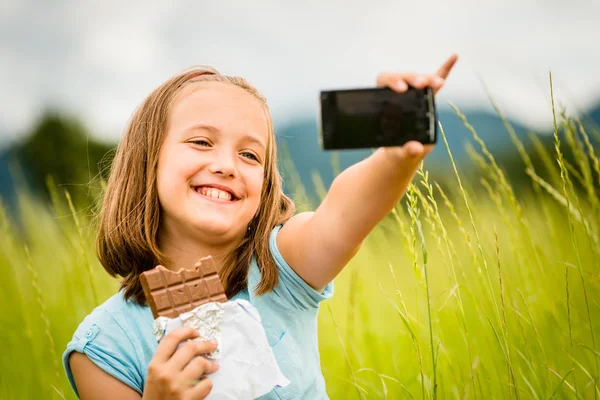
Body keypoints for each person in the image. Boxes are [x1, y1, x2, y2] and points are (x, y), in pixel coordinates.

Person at [62, 54, 458, 400]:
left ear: (266, 185)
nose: (226, 165)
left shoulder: (281, 267)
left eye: (249, 154)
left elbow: (343, 213)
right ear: (149, 160)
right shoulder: (104, 349)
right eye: (201, 142)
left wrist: (397, 158)